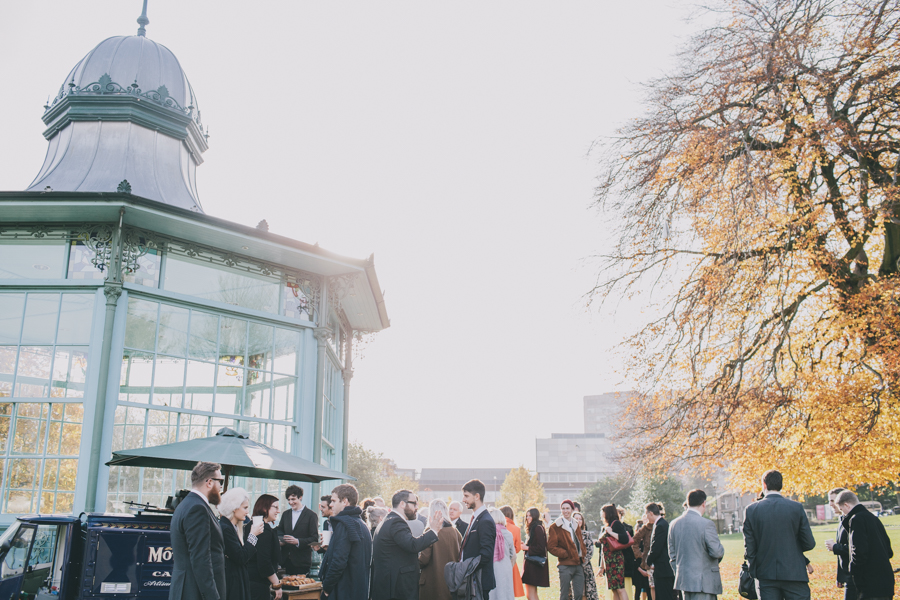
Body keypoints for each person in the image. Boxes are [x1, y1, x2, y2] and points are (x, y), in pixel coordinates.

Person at [742, 470, 815, 600]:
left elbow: (750, 547)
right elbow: (809, 543)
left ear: (764, 485)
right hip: (794, 572)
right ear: (781, 485)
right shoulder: (796, 507)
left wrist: (753, 572)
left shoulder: (751, 510)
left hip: (765, 574)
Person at [169, 462, 226, 600]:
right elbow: (201, 559)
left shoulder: (186, 505)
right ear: (209, 482)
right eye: (220, 482)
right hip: (195, 592)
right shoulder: (198, 509)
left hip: (188, 589)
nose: (221, 487)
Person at [371, 489, 442, 600]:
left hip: (390, 586)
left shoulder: (389, 520)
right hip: (397, 588)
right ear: (402, 504)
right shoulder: (396, 522)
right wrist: (433, 530)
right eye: (414, 503)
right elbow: (413, 545)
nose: (417, 507)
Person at [835, 490, 894, 600]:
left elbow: (858, 553)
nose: (843, 514)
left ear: (846, 505)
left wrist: (854, 576)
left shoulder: (856, 520)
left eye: (842, 510)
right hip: (886, 581)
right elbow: (889, 551)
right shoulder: (873, 518)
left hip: (869, 584)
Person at [667, 490, 724, 600]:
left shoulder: (673, 524)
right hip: (704, 583)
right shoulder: (706, 524)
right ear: (704, 503)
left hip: (684, 581)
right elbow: (717, 552)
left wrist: (681, 573)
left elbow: (672, 555)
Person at [319, 484, 372, 600]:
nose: (331, 505)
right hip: (357, 590)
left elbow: (338, 562)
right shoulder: (361, 524)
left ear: (345, 501)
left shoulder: (345, 525)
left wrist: (327, 588)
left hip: (344, 591)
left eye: (333, 501)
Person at [218, 488, 264, 600]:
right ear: (234, 508)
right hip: (232, 584)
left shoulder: (230, 527)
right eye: (245, 507)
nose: (247, 511)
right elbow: (241, 557)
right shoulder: (226, 528)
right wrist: (253, 535)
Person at [460, 479, 498, 596]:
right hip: (472, 581)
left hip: (478, 582)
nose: (463, 500)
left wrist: (467, 568)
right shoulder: (476, 517)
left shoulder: (485, 520)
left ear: (477, 496)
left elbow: (486, 554)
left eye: (466, 496)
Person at [418, 499, 461, 600]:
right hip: (450, 584)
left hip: (432, 583)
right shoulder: (455, 532)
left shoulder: (431, 532)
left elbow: (423, 559)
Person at [548, 499, 587, 600]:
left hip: (578, 564)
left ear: (572, 509)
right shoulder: (555, 526)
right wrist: (566, 553)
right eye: (563, 508)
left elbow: (580, 541)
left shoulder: (575, 524)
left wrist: (583, 552)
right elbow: (551, 547)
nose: (565, 511)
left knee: (579, 594)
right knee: (564, 595)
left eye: (568, 508)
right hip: (565, 565)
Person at [277, 485, 319, 576]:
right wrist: (282, 539)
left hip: (302, 562)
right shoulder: (285, 514)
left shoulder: (311, 515)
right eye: (288, 500)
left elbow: (314, 539)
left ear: (300, 497)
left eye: (293, 499)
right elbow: (279, 530)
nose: (290, 502)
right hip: (284, 561)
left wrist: (298, 541)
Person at [247, 494, 282, 600]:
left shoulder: (250, 525)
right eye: (275, 507)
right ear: (264, 507)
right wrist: (277, 584)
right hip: (258, 584)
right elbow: (264, 562)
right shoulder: (264, 529)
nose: (278, 511)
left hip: (248, 581)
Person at [824, 488, 855, 600]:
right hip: (848, 577)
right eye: (830, 501)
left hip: (855, 576)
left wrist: (835, 547)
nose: (830, 504)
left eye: (832, 501)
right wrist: (840, 577)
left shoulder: (853, 520)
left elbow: (856, 548)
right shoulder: (842, 520)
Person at [596, 504, 630, 600]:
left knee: (620, 588)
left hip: (616, 561)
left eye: (603, 512)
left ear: (607, 513)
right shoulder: (608, 525)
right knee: (614, 589)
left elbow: (625, 539)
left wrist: (611, 533)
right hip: (609, 562)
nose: (601, 515)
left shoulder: (616, 524)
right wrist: (602, 566)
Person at [645, 503, 673, 600]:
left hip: (663, 569)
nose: (647, 517)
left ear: (651, 513)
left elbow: (656, 547)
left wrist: (648, 561)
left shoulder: (661, 525)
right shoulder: (661, 524)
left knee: (664, 596)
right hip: (663, 568)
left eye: (647, 514)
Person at [488, 507, 516, 600]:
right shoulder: (508, 533)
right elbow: (513, 555)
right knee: (505, 594)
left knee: (492, 594)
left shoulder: (487, 533)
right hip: (505, 568)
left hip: (490, 568)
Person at [521, 507, 549, 599]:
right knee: (531, 594)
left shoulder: (537, 528)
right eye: (527, 516)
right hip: (531, 565)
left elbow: (541, 548)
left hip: (534, 566)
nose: (528, 518)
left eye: (530, 516)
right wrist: (525, 545)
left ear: (535, 516)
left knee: (530, 595)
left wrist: (527, 547)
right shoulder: (534, 528)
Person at [499, 506, 525, 598]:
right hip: (510, 561)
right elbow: (517, 549)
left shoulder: (494, 526)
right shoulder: (516, 529)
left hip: (497, 559)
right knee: (510, 590)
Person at [572, 512, 598, 600]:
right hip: (572, 567)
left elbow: (590, 551)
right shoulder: (568, 534)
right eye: (576, 519)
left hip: (585, 567)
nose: (578, 521)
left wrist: (582, 563)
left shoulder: (586, 534)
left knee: (585, 592)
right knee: (575, 592)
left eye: (580, 519)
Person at [630, 519, 651, 600]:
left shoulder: (646, 543)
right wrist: (640, 570)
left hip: (647, 569)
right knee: (638, 590)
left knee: (648, 590)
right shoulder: (636, 545)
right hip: (638, 570)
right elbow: (633, 560)